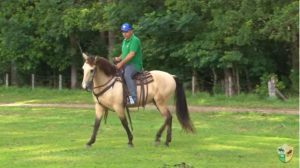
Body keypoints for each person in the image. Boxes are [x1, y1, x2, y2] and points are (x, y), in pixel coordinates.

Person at [114, 23, 143, 105]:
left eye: (126, 32)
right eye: (123, 32)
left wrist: (121, 63)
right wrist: (119, 58)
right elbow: (124, 53)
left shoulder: (135, 40)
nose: (124, 34)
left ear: (131, 31)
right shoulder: (125, 41)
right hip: (126, 64)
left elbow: (131, 54)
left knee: (127, 75)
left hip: (135, 64)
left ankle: (133, 98)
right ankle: (122, 96)